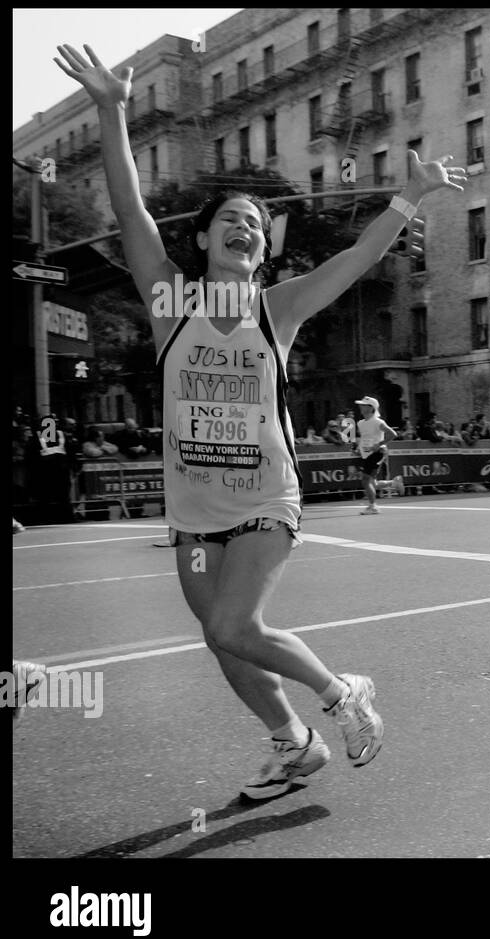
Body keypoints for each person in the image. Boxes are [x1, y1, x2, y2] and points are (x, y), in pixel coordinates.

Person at [56, 41, 467, 798]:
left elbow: (352, 262)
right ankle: (294, 744)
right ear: (204, 239)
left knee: (232, 627)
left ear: (261, 248)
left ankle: (344, 696)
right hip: (193, 512)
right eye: (231, 220)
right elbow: (130, 208)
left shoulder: (274, 311)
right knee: (227, 647)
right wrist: (112, 109)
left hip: (262, 501)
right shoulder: (169, 303)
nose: (246, 228)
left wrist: (409, 200)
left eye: (256, 222)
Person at [354, 396, 399, 515]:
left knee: (365, 479)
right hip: (366, 454)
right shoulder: (360, 423)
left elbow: (393, 434)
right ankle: (394, 483)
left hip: (377, 453)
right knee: (372, 483)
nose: (360, 407)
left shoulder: (378, 422)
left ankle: (373, 506)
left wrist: (379, 444)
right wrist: (359, 449)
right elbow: (365, 438)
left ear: (371, 408)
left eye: (363, 405)